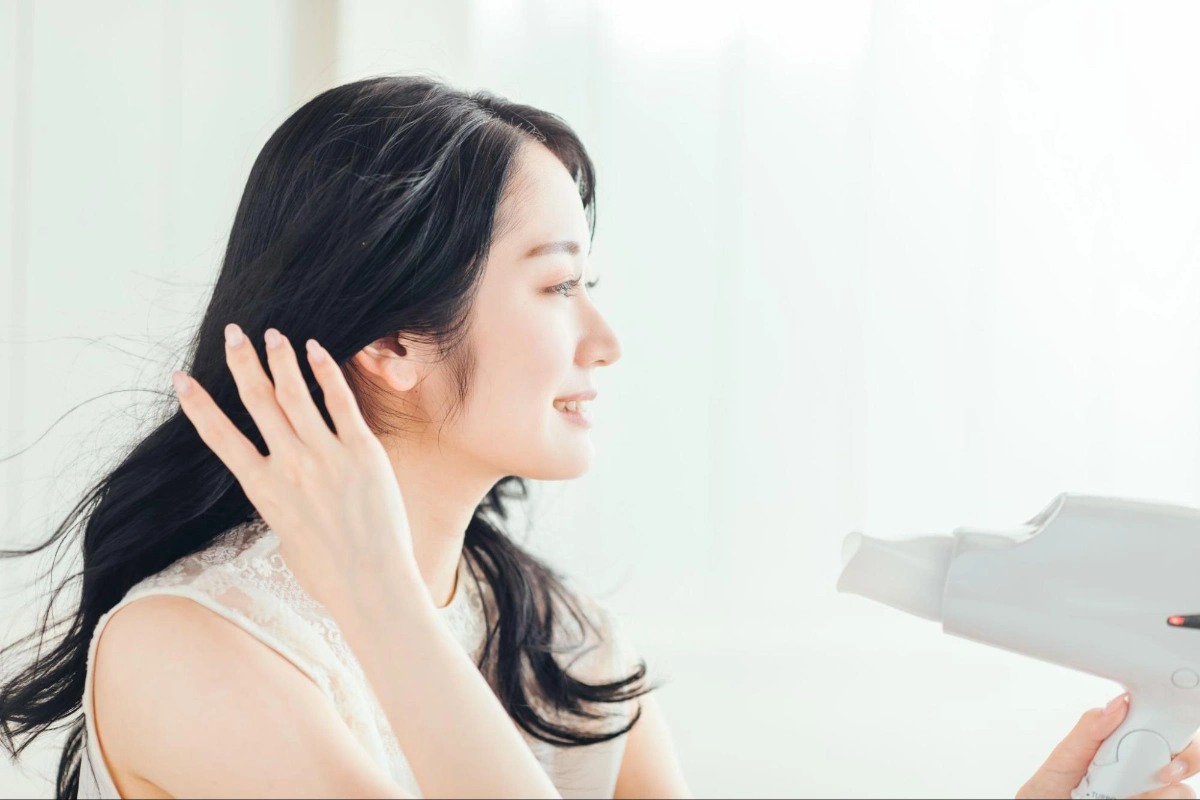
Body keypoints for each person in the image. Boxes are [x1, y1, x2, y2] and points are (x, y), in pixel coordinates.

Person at [0, 74, 1196, 799]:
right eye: (559, 284)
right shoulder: (189, 650)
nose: (606, 339)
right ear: (394, 343)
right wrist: (375, 595)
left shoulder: (547, 630)